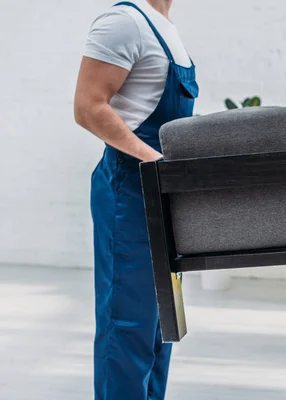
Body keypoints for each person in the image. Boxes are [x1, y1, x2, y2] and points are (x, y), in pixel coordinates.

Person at [73, 0, 198, 398]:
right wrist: (153, 160)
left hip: (160, 194)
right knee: (127, 327)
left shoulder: (167, 29)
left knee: (159, 328)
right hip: (129, 192)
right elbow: (88, 107)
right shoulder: (123, 22)